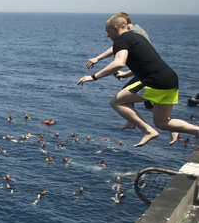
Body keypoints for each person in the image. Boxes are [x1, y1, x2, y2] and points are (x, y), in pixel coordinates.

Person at [78, 14, 199, 146]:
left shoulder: (121, 40)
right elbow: (141, 60)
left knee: (116, 102)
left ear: (115, 28)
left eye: (108, 32)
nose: (107, 35)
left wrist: (93, 77)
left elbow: (119, 63)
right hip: (171, 80)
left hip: (155, 81)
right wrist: (120, 72)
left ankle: (147, 130)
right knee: (162, 123)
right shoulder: (137, 36)